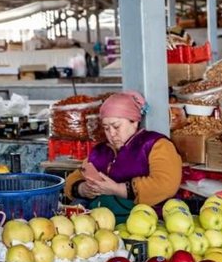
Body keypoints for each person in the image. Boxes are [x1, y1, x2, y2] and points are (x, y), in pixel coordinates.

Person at [64, 91, 182, 223]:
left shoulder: (155, 145)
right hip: (100, 224)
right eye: (106, 128)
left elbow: (166, 184)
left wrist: (117, 189)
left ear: (134, 122)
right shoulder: (100, 151)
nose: (112, 133)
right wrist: (83, 189)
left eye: (116, 126)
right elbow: (74, 178)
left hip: (145, 222)